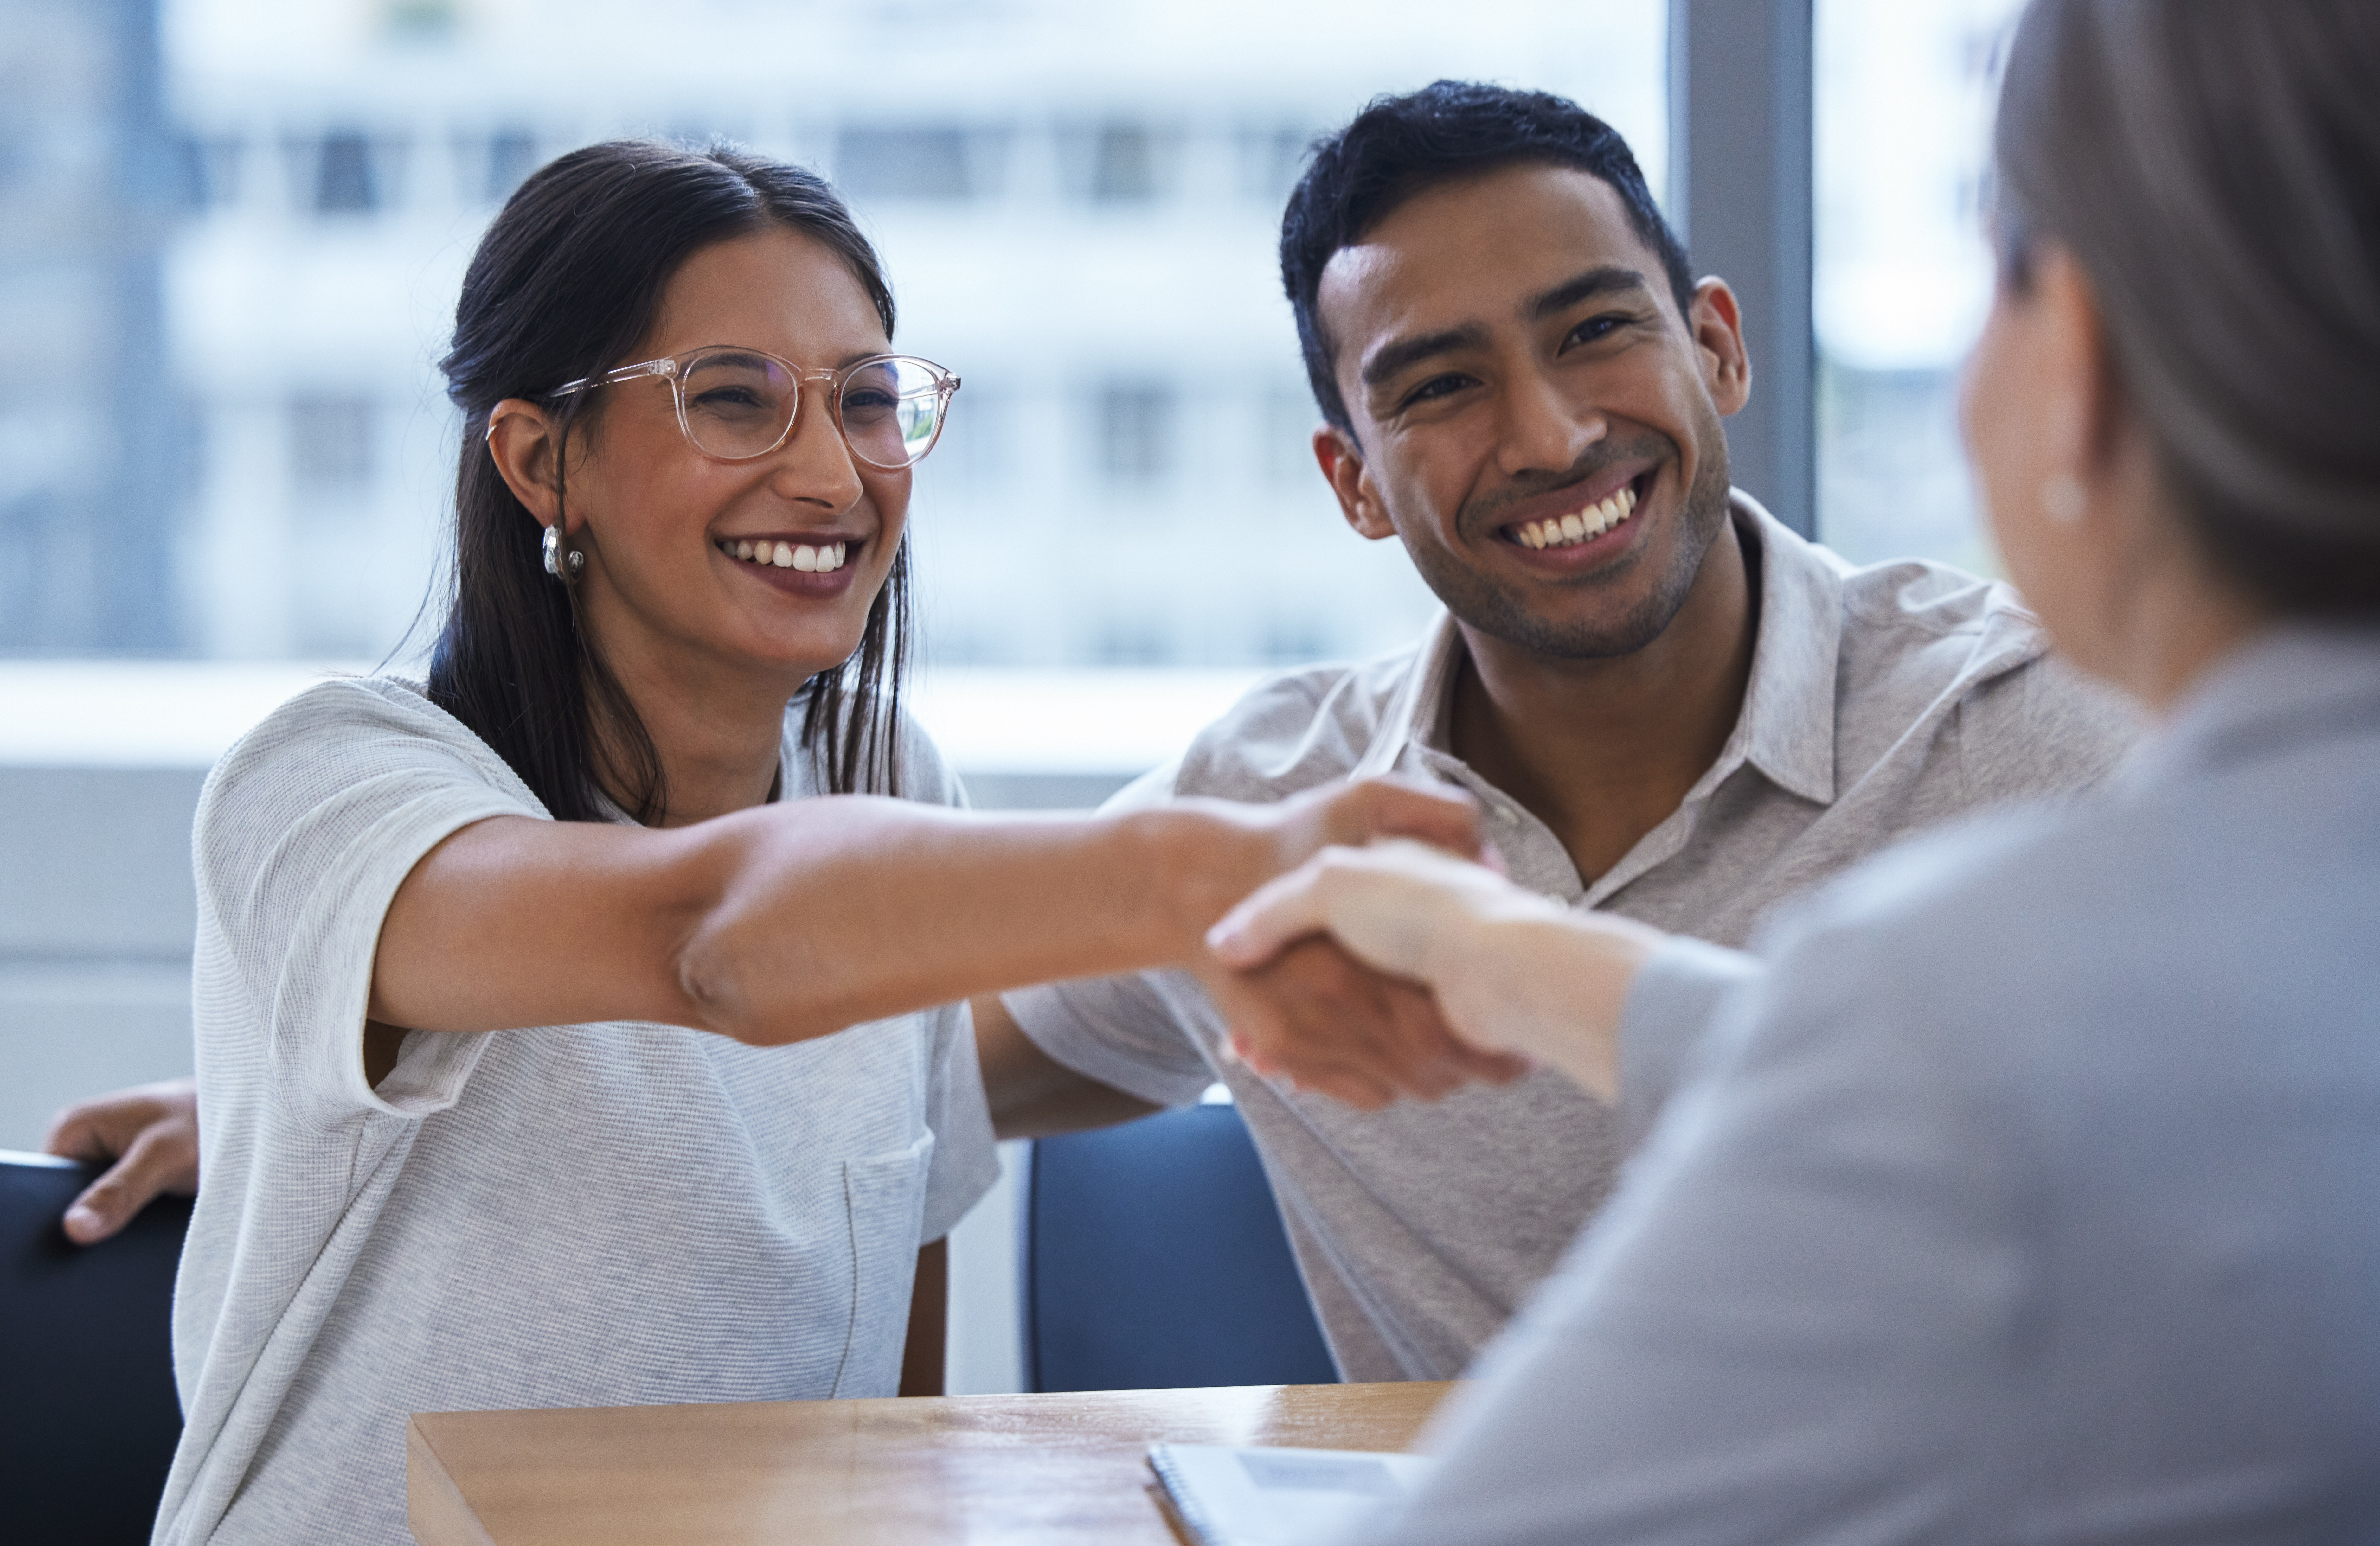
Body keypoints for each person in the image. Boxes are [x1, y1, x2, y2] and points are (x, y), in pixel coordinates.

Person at [50, 83, 2141, 1387]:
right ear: (1349, 479)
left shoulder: (2057, 748)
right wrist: (359, 1069)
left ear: (1716, 352)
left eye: (1598, 337)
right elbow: (764, 985)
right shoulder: (1273, 809)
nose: (1547, 435)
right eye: (1435, 389)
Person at [1198, 1, 2380, 1546]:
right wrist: (1506, 955)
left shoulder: (1965, 982)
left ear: (2069, 356)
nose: (1552, 431)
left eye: (1991, 278)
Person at [132, 139, 1476, 1546]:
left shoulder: (890, 784)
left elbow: (887, 1339)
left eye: (860, 398)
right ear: (537, 458)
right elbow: (701, 944)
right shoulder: (335, 781)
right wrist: (1209, 871)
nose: (833, 476)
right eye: (731, 397)